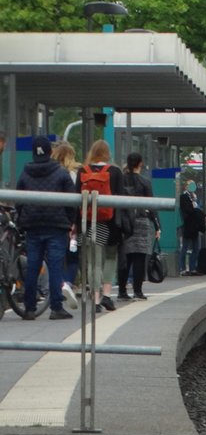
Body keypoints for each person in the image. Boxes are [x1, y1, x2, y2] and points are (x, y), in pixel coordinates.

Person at [15, 135, 76, 320]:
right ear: (50, 152)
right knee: (56, 265)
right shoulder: (61, 172)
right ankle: (56, 307)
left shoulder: (25, 172)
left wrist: (22, 218)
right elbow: (72, 201)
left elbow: (19, 201)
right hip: (56, 226)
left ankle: (30, 308)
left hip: (33, 225)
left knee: (33, 265)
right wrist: (69, 221)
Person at [77, 139, 126, 313]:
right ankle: (106, 295)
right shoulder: (115, 172)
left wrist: (76, 226)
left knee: (93, 262)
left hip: (89, 222)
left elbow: (77, 200)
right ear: (108, 153)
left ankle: (95, 300)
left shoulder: (83, 171)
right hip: (111, 223)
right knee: (110, 258)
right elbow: (121, 199)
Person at [119, 153, 160, 301]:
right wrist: (157, 226)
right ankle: (137, 291)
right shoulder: (145, 182)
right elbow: (152, 205)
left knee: (125, 257)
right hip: (141, 221)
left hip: (124, 222)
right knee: (139, 257)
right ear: (140, 164)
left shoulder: (121, 180)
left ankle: (122, 291)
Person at [51, 141, 81, 310]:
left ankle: (61, 284)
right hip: (69, 219)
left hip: (51, 219)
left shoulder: (50, 172)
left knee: (55, 257)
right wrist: (74, 222)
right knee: (73, 256)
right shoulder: (74, 174)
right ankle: (67, 283)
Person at [178, 179, 203, 275]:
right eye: (189, 185)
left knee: (196, 247)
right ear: (186, 186)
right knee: (185, 247)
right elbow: (189, 211)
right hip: (187, 225)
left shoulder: (195, 198)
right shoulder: (184, 197)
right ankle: (182, 268)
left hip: (194, 226)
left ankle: (193, 267)